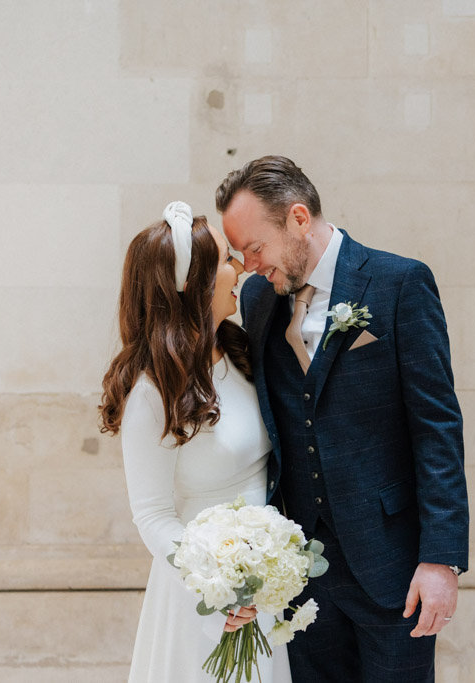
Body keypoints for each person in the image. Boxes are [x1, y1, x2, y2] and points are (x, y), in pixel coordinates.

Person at [215, 156, 469, 682]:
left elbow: (437, 427)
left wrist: (441, 559)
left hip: (393, 568)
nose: (248, 265)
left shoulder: (400, 283)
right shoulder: (260, 298)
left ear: (299, 218)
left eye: (255, 247)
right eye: (238, 254)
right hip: (300, 573)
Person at [99, 202, 291, 682]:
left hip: (261, 583)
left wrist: (259, 576)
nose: (242, 267)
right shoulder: (153, 391)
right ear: (197, 287)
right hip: (204, 596)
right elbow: (153, 514)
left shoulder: (242, 351)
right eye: (228, 261)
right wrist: (220, 585)